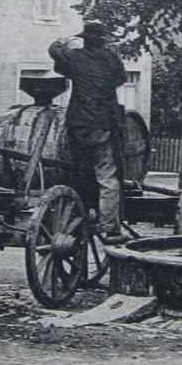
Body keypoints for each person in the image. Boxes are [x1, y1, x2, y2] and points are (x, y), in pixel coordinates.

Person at [48, 22, 129, 243]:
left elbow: (55, 53)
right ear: (103, 40)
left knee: (80, 169)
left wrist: (62, 41)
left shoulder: (75, 58)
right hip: (105, 123)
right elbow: (121, 79)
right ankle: (109, 226)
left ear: (84, 39)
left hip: (79, 123)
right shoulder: (112, 59)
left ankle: (79, 212)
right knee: (107, 175)